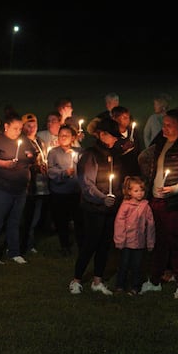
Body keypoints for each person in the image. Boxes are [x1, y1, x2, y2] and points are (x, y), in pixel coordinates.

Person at [140, 109, 178, 300]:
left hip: (176, 204)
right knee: (159, 242)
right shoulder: (161, 143)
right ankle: (155, 280)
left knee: (176, 242)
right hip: (158, 200)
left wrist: (174, 189)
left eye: (169, 125)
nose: (164, 128)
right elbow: (147, 161)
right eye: (164, 124)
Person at [69, 118, 124, 296]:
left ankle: (97, 280)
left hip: (110, 208)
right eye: (112, 136)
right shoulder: (90, 155)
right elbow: (86, 184)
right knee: (90, 243)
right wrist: (102, 199)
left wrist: (116, 196)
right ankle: (76, 279)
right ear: (102, 135)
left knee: (105, 244)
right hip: (94, 208)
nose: (115, 139)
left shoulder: (114, 153)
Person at [0, 113, 35, 264]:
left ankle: (14, 251)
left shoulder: (23, 140)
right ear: (6, 126)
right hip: (0, 187)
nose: (18, 131)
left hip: (20, 188)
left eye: (20, 129)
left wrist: (30, 156)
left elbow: (32, 156)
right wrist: (4, 164)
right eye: (15, 128)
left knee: (15, 221)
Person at [113, 176, 155, 295]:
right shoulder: (125, 205)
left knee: (137, 266)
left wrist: (150, 242)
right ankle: (120, 286)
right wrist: (120, 241)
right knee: (123, 265)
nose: (140, 193)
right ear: (129, 191)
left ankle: (135, 287)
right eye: (136, 191)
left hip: (139, 243)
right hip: (126, 243)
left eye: (141, 190)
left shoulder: (146, 206)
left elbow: (150, 226)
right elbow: (119, 223)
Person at [46, 125, 83, 256]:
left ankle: (81, 245)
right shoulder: (54, 152)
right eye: (61, 135)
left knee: (78, 220)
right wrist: (63, 173)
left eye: (66, 135)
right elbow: (50, 170)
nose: (63, 137)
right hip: (60, 192)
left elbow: (84, 167)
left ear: (73, 138)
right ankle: (64, 245)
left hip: (76, 192)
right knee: (61, 220)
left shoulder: (79, 151)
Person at [20, 113, 50, 254]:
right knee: (25, 216)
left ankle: (29, 243)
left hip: (41, 186)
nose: (32, 128)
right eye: (28, 125)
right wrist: (35, 167)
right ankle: (20, 243)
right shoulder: (21, 142)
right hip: (28, 186)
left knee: (35, 217)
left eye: (34, 125)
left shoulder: (40, 141)